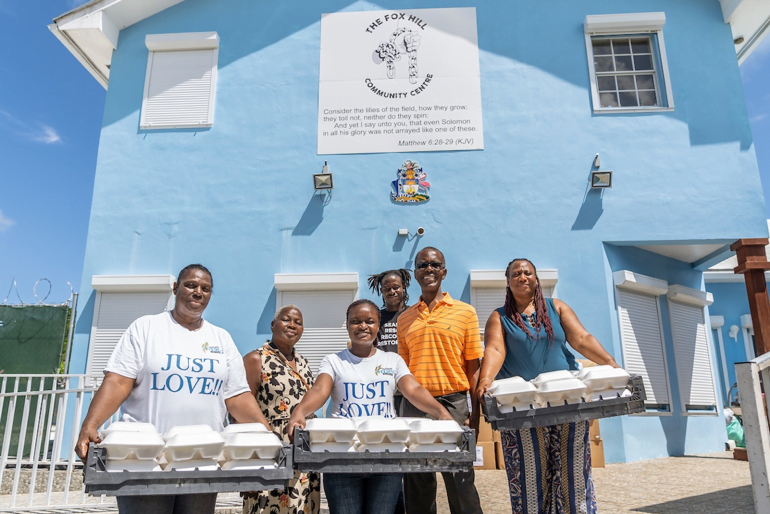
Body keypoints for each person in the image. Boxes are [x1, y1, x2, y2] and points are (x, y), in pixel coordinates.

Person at [75, 264, 271, 514]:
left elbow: (237, 397)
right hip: (144, 461)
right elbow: (118, 382)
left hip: (203, 461)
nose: (198, 292)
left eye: (205, 288)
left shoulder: (221, 339)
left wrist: (266, 436)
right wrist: (89, 426)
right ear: (176, 287)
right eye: (191, 285)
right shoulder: (146, 328)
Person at [475, 258, 619, 514]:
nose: (522, 277)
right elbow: (495, 349)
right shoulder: (500, 317)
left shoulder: (557, 307)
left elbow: (581, 338)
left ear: (536, 279)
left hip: (567, 401)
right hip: (522, 407)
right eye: (516, 274)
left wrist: (610, 363)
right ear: (508, 282)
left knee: (572, 471)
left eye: (527, 273)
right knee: (530, 475)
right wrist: (485, 379)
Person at [287, 299, 454, 514]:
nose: (363, 326)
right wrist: (299, 412)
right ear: (347, 326)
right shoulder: (333, 361)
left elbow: (412, 389)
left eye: (370, 321)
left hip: (386, 456)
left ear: (378, 326)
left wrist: (441, 413)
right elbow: (320, 390)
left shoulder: (392, 360)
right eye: (355, 321)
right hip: (342, 457)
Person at [397, 247, 484, 514]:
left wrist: (476, 414)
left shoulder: (465, 312)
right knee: (417, 481)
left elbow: (473, 367)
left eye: (435, 265)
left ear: (444, 272)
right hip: (415, 407)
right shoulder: (404, 319)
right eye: (422, 265)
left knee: (460, 479)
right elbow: (403, 373)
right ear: (416, 273)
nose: (429, 270)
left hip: (454, 405)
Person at [241, 305, 320, 514]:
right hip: (270, 449)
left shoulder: (304, 362)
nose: (292, 325)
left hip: (303, 451)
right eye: (286, 319)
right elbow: (240, 409)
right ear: (273, 325)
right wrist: (247, 460)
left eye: (299, 322)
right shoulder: (256, 359)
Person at [367, 269, 411, 514]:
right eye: (386, 288)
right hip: (383, 394)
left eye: (396, 287)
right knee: (387, 450)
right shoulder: (377, 318)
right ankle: (393, 504)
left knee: (408, 450)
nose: (392, 291)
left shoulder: (415, 314)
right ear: (380, 291)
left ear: (404, 286)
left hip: (409, 392)